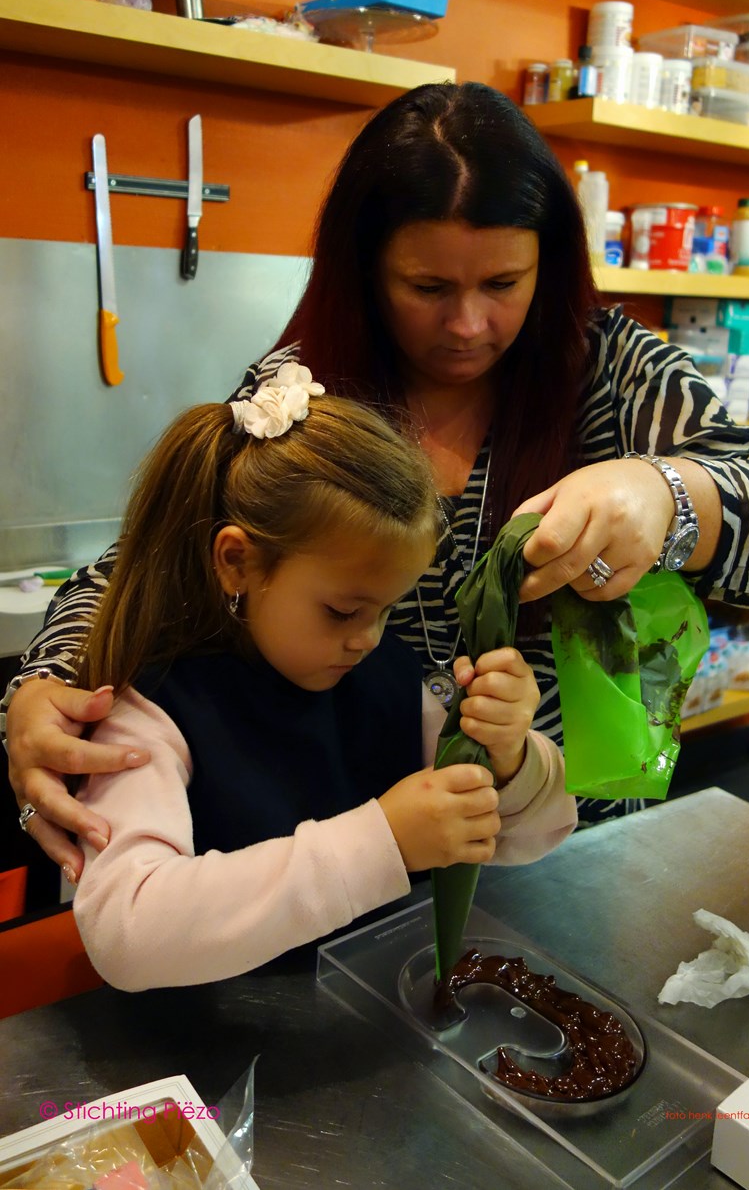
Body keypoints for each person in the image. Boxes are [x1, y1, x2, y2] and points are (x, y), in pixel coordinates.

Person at [7, 82, 749, 873]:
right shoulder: (304, 395)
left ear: (546, 266)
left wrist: (668, 495)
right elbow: (148, 563)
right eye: (427, 288)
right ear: (365, 269)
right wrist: (41, 686)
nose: (467, 325)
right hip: (357, 850)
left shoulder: (612, 371)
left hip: (573, 844)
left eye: (502, 284)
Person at [67, 368, 576, 988]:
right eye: (342, 611)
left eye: (388, 609)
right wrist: (381, 843)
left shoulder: (394, 677)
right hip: (212, 1046)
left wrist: (510, 755)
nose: (367, 637)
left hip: (372, 1025)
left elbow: (540, 833)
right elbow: (128, 935)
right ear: (237, 563)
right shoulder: (150, 711)